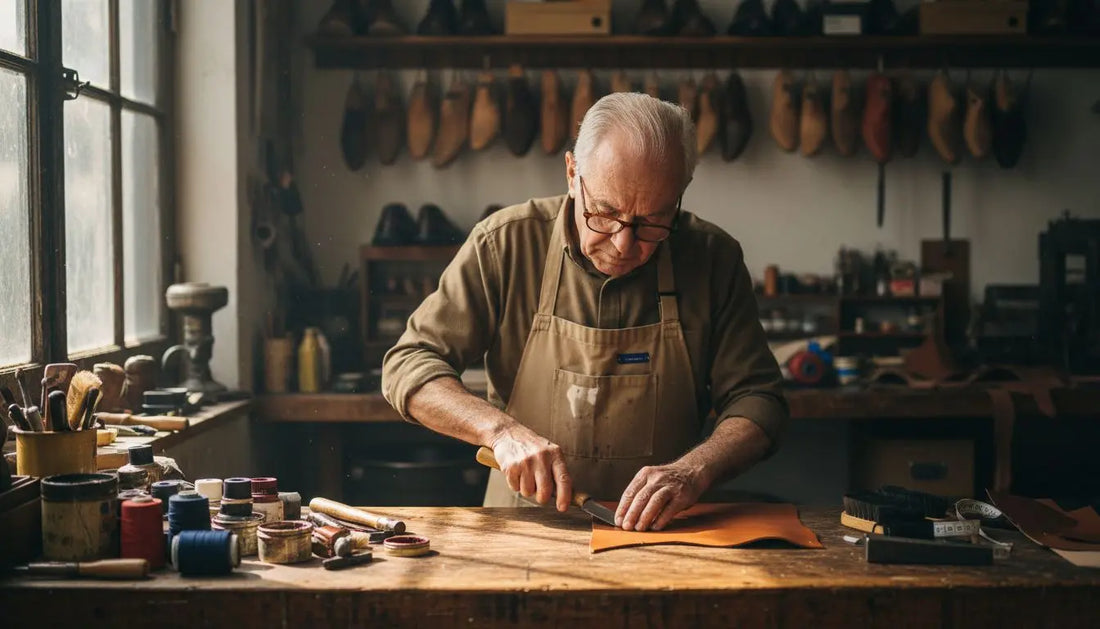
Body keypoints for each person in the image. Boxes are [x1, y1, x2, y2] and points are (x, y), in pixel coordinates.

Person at [382, 92, 787, 532]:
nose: (623, 244)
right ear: (573, 174)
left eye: (652, 222)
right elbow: (408, 363)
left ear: (680, 195)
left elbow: (759, 399)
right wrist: (499, 432)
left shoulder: (713, 259)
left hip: (664, 537)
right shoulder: (504, 245)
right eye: (605, 213)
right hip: (524, 531)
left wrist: (693, 471)